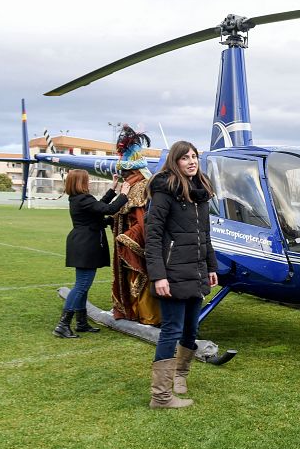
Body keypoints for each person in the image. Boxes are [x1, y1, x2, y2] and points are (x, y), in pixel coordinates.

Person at [145, 141, 219, 409]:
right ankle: (161, 396)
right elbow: (153, 236)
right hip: (172, 273)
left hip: (196, 271)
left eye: (194, 156)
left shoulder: (201, 193)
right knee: (171, 330)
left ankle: (180, 376)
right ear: (175, 162)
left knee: (191, 329)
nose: (192, 161)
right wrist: (158, 276)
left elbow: (205, 236)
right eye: (185, 157)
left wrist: (211, 267)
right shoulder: (164, 191)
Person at [54, 170, 130, 338]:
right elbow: (109, 209)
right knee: (82, 285)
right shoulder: (83, 199)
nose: (89, 182)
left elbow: (98, 208)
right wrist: (124, 194)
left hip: (82, 243)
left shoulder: (78, 198)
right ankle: (62, 325)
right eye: (87, 180)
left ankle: (81, 323)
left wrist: (113, 188)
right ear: (80, 182)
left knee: (83, 286)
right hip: (85, 245)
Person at [111, 125, 160, 325]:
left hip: (136, 244)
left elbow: (142, 218)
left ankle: (147, 316)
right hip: (127, 241)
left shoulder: (141, 186)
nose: (123, 175)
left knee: (140, 278)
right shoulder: (130, 185)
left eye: (125, 171)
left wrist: (128, 239)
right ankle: (134, 312)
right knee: (129, 278)